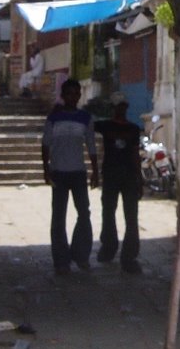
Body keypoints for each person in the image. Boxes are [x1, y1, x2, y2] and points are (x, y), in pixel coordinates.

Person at [41, 78, 99, 276]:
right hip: (58, 171)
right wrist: (46, 169)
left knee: (84, 213)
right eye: (69, 94)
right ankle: (61, 260)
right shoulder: (54, 118)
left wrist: (95, 172)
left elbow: (91, 146)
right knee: (59, 217)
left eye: (76, 94)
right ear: (63, 95)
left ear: (79, 96)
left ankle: (80, 254)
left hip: (78, 173)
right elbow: (45, 144)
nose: (73, 97)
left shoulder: (85, 118)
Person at [95, 92, 144, 274]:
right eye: (118, 106)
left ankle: (128, 255)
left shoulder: (133, 129)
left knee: (130, 216)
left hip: (128, 176)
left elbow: (134, 154)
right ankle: (109, 247)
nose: (121, 109)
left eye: (123, 106)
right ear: (114, 108)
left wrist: (139, 178)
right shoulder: (105, 126)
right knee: (109, 212)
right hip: (111, 175)